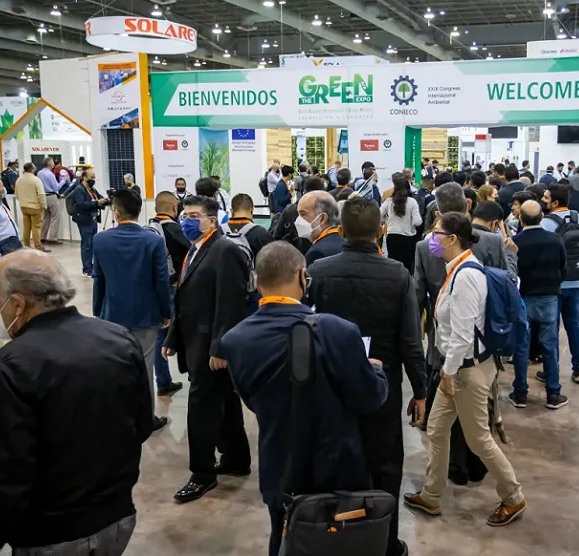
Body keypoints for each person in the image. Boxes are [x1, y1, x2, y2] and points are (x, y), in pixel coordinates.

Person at [222, 241, 388, 556]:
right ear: (302, 276)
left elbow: (252, 400)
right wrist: (376, 371)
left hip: (279, 465)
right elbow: (369, 399)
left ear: (257, 282)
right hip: (338, 467)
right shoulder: (338, 330)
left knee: (286, 534)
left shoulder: (235, 340)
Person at [0, 250, 153, 556]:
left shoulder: (10, 366)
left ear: (18, 303)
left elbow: (9, 472)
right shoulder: (119, 338)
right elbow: (142, 424)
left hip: (51, 533)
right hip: (117, 518)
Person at [307, 197, 425, 556]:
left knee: (331, 463)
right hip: (381, 387)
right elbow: (410, 341)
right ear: (381, 230)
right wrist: (420, 391)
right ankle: (385, 542)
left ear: (341, 230)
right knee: (385, 465)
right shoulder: (398, 274)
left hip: (330, 385)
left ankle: (335, 537)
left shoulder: (319, 270)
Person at [404, 212, 526, 526]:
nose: (432, 238)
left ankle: (513, 496)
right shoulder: (455, 271)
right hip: (456, 369)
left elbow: (462, 334)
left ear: (452, 239)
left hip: (465, 372)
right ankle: (431, 495)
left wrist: (448, 373)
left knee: (478, 439)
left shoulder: (466, 277)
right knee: (436, 429)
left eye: (436, 233)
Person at [414, 184, 514, 482]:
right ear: (468, 204)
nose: (432, 235)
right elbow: (508, 281)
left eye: (436, 230)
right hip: (476, 346)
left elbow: (420, 297)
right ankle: (447, 482)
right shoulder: (492, 242)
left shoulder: (436, 255)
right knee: (458, 418)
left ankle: (500, 486)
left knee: (470, 425)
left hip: (457, 350)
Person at [162, 195, 251, 503]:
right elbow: (186, 299)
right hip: (195, 342)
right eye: (184, 215)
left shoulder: (225, 250)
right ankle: (236, 459)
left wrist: (220, 348)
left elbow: (231, 304)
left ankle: (202, 474)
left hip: (211, 348)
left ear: (212, 220)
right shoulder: (196, 249)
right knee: (224, 401)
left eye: (194, 216)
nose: (186, 221)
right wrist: (172, 338)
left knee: (201, 411)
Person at [92, 188, 171, 431]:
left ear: (116, 213)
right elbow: (161, 280)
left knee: (114, 365)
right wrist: (166, 311)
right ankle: (145, 418)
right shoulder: (154, 241)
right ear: (139, 210)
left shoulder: (100, 240)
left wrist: (97, 311)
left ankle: (117, 415)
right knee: (145, 367)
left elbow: (99, 279)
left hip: (112, 314)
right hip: (146, 314)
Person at [508, 200, 568, 409]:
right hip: (549, 298)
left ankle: (520, 393)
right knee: (550, 347)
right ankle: (553, 394)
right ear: (542, 217)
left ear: (520, 218)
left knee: (521, 347)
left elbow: (511, 271)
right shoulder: (555, 240)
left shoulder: (515, 242)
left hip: (523, 298)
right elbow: (563, 268)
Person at [541, 183, 579, 384]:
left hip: (554, 285)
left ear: (555, 202)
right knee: (574, 326)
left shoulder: (546, 223)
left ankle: (551, 371)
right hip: (576, 284)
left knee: (552, 329)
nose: (543, 201)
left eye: (546, 198)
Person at [149, 191, 189, 396]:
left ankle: (163, 380)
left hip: (154, 289)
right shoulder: (177, 230)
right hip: (176, 288)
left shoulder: (148, 230)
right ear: (175, 208)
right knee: (186, 331)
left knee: (160, 335)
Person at [69, 169, 108, 277]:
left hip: (93, 219)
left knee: (93, 244)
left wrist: (105, 200)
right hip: (84, 220)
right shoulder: (79, 190)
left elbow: (99, 198)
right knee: (87, 244)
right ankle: (87, 269)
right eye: (91, 177)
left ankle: (92, 266)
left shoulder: (92, 189)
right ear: (84, 177)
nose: (93, 180)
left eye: (94, 177)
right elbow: (81, 205)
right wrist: (96, 202)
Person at [381, 172, 422, 274]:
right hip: (408, 238)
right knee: (407, 266)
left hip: (392, 236)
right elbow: (418, 222)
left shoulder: (389, 201)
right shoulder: (412, 202)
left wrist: (385, 220)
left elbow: (379, 215)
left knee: (393, 264)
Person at [272, 176, 325, 254]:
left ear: (304, 191)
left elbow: (277, 236)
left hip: (292, 254)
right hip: (317, 255)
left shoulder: (290, 210)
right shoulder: (325, 212)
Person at [298, 191, 344, 266]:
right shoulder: (346, 242)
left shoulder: (317, 253)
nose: (298, 220)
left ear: (322, 219)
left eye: (303, 214)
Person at [0, 176, 21, 270]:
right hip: (4, 247)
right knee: (7, 276)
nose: (4, 188)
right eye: (2, 186)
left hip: (11, 244)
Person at [14, 162, 48, 251]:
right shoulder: (36, 180)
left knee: (26, 227)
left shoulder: (19, 180)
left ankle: (26, 245)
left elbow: (16, 194)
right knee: (36, 227)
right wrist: (43, 205)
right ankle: (38, 245)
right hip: (35, 207)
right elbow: (41, 194)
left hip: (24, 206)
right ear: (33, 169)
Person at [38, 157, 68, 245]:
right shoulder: (50, 174)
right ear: (50, 164)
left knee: (46, 217)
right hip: (51, 196)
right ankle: (52, 238)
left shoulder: (39, 173)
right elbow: (56, 187)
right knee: (55, 217)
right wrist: (63, 180)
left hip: (43, 197)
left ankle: (42, 237)